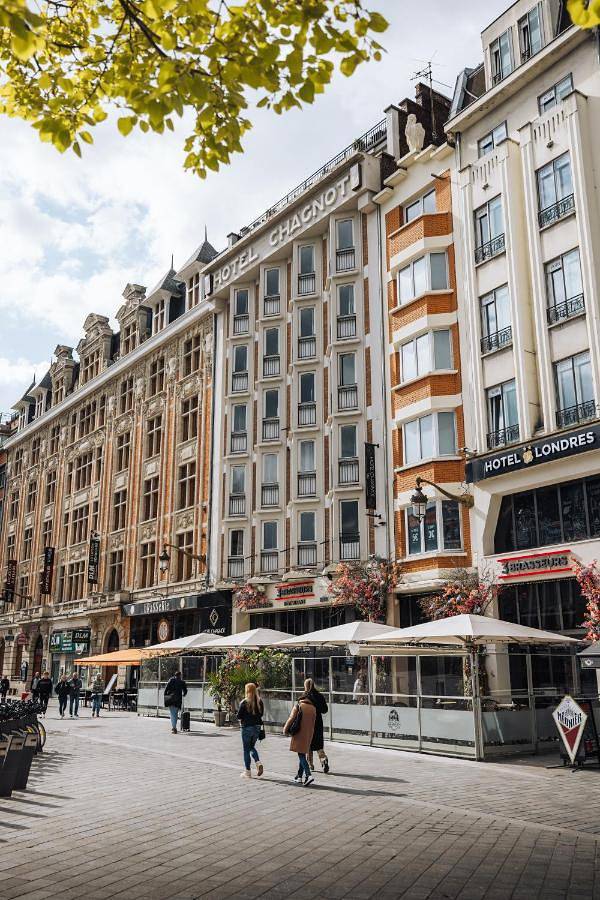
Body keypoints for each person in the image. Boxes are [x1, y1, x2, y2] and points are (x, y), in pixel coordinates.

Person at [283, 692, 317, 786]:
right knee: (302, 752)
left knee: (301, 754)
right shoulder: (313, 708)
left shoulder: (299, 706)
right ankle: (299, 776)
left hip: (299, 732)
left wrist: (285, 729)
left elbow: (291, 718)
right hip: (309, 733)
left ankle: (308, 775)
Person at [237, 682, 264, 779]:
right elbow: (261, 714)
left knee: (246, 749)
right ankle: (258, 762)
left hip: (246, 728)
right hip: (257, 728)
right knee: (251, 747)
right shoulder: (259, 702)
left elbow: (239, 716)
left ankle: (248, 772)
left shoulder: (244, 702)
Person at [303, 678, 330, 774]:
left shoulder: (305, 697)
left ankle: (310, 765)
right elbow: (325, 710)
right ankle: (323, 760)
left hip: (308, 723)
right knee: (318, 744)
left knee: (309, 745)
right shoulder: (319, 696)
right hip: (318, 722)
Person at [164, 669, 187, 734]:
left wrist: (166, 696)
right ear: (180, 675)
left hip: (171, 699)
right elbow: (185, 691)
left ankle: (174, 727)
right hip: (178, 700)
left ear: (175, 675)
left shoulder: (171, 680)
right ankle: (174, 727)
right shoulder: (182, 682)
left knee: (172, 713)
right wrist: (183, 694)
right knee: (175, 713)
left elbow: (166, 689)